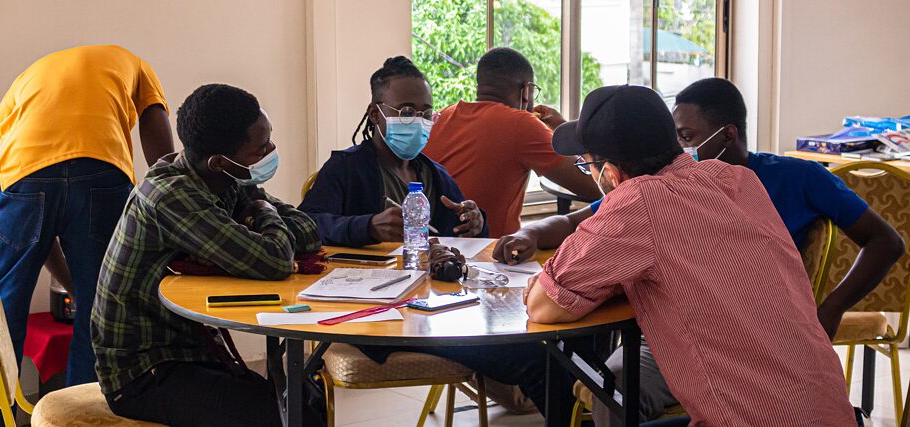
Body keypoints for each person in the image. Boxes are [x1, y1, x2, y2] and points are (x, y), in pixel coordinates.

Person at [495, 78, 904, 424]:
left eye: (587, 166)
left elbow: (545, 306)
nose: (591, 176)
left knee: (608, 389)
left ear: (612, 174)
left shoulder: (637, 202)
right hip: (828, 410)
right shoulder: (736, 181)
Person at [91, 84, 322, 426]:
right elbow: (273, 259)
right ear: (219, 161)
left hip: (191, 352)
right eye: (261, 149)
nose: (272, 150)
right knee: (287, 414)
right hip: (144, 373)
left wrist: (257, 212)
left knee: (306, 400)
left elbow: (308, 231)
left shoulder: (225, 178)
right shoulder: (170, 195)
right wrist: (260, 209)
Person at [0, 45, 174, 426]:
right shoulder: (135, 64)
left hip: (24, 175)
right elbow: (162, 153)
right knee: (100, 311)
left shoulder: (21, 88)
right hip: (101, 172)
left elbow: (36, 212)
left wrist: (67, 281)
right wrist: (178, 194)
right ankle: (82, 418)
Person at [298, 56, 487, 246]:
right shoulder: (346, 168)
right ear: (375, 114)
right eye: (406, 112)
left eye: (427, 114)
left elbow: (462, 234)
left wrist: (475, 222)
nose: (419, 122)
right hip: (364, 274)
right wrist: (367, 227)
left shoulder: (436, 175)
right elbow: (304, 224)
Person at [424, 47, 601, 237]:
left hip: (436, 245)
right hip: (489, 252)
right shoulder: (521, 124)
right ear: (527, 90)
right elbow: (596, 185)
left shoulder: (443, 115)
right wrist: (563, 130)